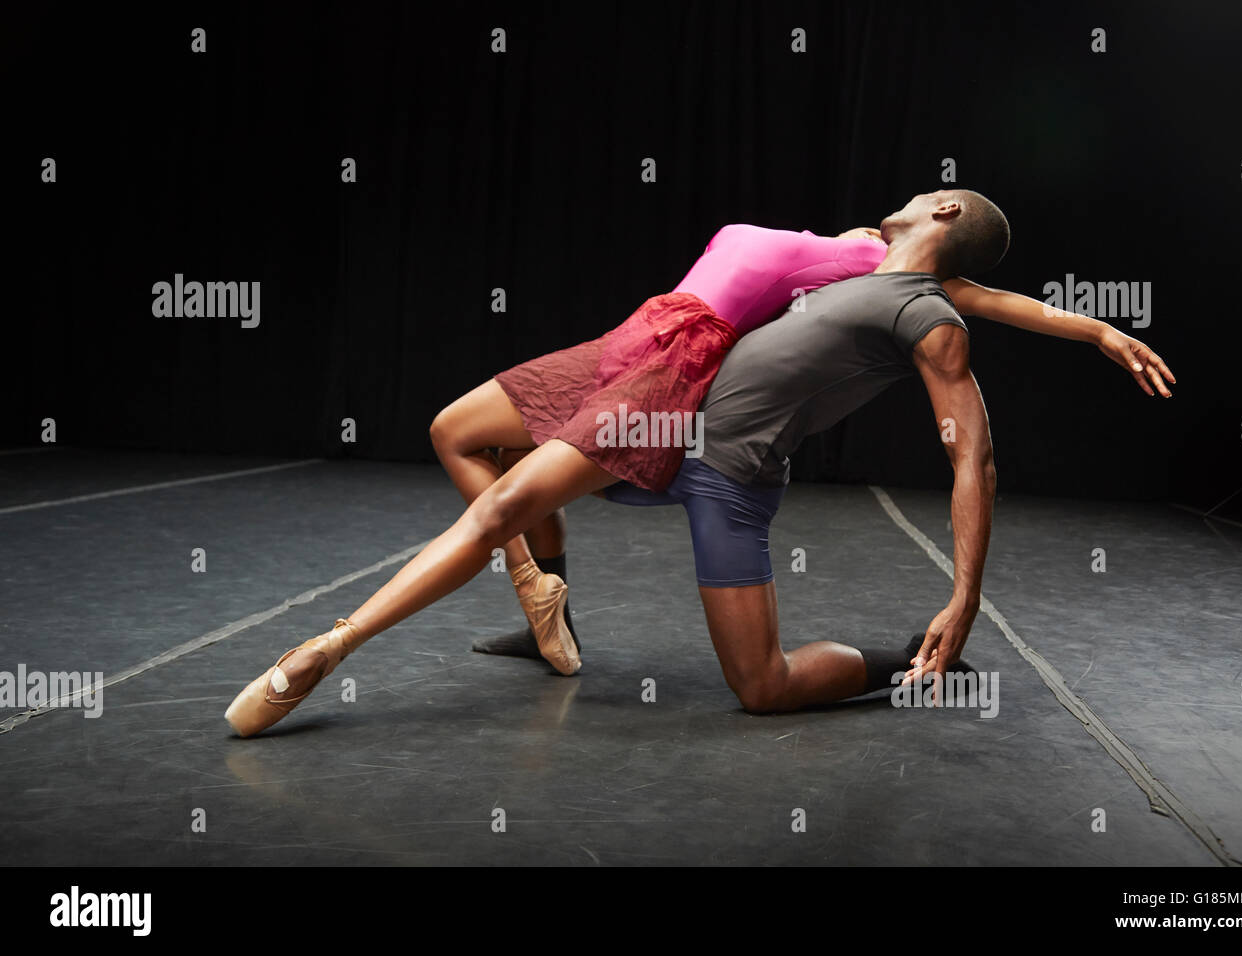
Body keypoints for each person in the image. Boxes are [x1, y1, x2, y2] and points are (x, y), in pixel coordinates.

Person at [222, 189, 1169, 735]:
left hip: (712, 450)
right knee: (480, 461)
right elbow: (967, 281)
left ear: (945, 209)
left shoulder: (923, 306)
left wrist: (961, 602)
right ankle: (342, 646)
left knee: (762, 690)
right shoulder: (853, 255)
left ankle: (917, 667)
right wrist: (1090, 329)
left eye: (922, 196)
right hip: (656, 399)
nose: (902, 198)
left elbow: (981, 425)